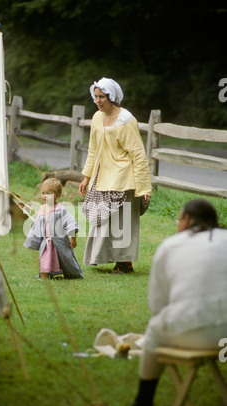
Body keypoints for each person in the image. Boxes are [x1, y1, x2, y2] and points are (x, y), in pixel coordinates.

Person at [130, 199, 227, 406]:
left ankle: (143, 404)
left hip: (190, 332)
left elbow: (157, 305)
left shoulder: (170, 245)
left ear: (186, 219)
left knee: (155, 328)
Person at [79, 77, 152, 274]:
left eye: (102, 97)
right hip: (102, 176)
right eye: (96, 97)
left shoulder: (126, 121)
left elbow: (138, 154)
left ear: (112, 97)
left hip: (123, 177)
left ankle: (125, 264)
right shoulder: (96, 118)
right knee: (102, 220)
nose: (98, 101)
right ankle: (102, 257)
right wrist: (86, 176)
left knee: (123, 222)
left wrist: (144, 187)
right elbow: (93, 149)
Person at [24, 177, 83, 280]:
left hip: (59, 242)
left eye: (48, 194)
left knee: (64, 259)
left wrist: (73, 238)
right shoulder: (42, 209)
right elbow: (37, 226)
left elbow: (70, 222)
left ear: (58, 195)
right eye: (43, 193)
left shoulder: (61, 210)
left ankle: (72, 274)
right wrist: (33, 240)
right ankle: (44, 277)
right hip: (46, 242)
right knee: (44, 259)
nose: (45, 196)